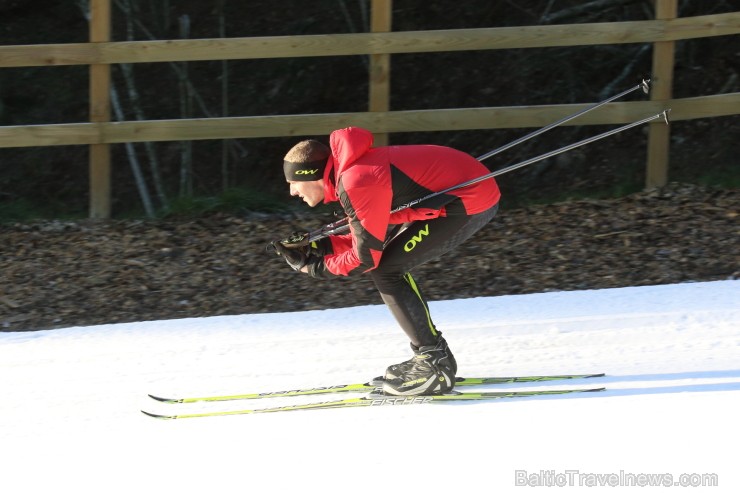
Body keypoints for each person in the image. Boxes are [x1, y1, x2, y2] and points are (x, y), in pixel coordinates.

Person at [271, 126, 500, 396]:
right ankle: (434, 358)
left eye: (293, 183)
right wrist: (323, 248)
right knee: (386, 267)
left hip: (468, 201)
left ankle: (433, 363)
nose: (292, 192)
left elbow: (365, 257)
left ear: (311, 175)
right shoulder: (352, 174)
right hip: (456, 196)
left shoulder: (356, 180)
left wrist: (317, 267)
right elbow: (370, 234)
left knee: (387, 271)